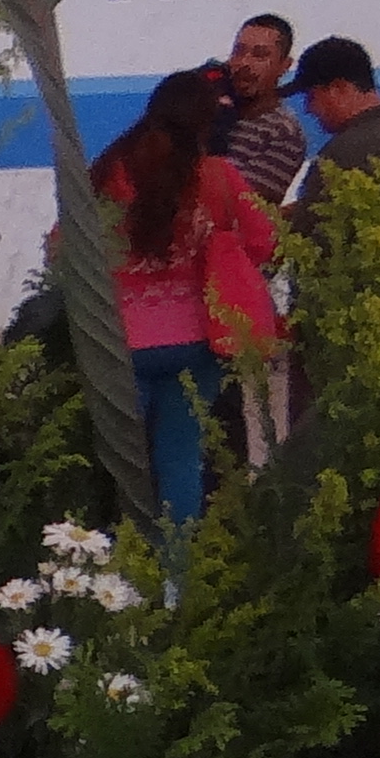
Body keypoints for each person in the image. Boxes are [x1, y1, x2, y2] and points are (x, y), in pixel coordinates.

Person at [98, 67, 274, 529]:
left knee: (121, 464)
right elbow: (264, 242)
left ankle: (116, 562)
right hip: (197, 341)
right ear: (205, 120)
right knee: (181, 458)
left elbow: (64, 248)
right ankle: (175, 566)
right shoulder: (219, 176)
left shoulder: (110, 173)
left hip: (118, 344)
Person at [290, 37, 380, 198]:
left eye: (312, 97)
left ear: (339, 88)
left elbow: (312, 213)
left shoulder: (342, 155)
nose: (308, 109)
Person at [217, 16, 305, 204]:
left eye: (260, 55)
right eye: (238, 52)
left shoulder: (283, 132)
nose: (244, 63)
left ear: (284, 66)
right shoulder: (208, 109)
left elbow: (244, 204)